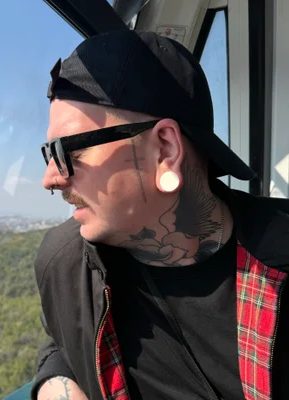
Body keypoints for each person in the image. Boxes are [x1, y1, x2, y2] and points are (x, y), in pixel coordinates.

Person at [32, 30, 289, 400]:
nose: (50, 179)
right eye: (49, 154)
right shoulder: (62, 264)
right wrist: (55, 385)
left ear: (165, 149)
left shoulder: (281, 250)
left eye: (68, 151)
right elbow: (63, 340)